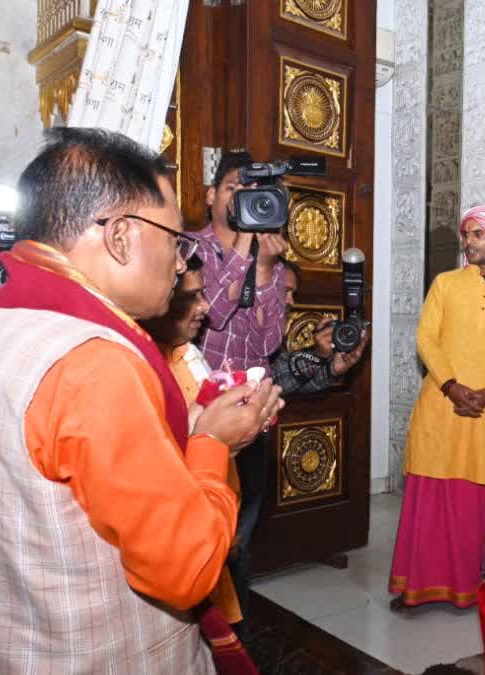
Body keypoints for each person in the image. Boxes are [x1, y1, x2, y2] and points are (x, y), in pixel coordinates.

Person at [0, 128, 283, 673]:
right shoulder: (93, 361)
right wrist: (213, 443)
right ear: (121, 236)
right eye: (175, 241)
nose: (180, 263)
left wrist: (183, 430)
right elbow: (185, 567)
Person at [389, 206, 485, 610]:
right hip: (441, 406)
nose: (468, 242)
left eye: (477, 235)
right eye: (466, 235)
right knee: (428, 496)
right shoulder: (445, 284)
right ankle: (415, 586)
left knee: (470, 502)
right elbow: (425, 339)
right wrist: (451, 386)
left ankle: (462, 588)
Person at [193, 151, 289, 619]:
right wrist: (241, 255)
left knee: (236, 541)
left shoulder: (270, 256)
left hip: (249, 419)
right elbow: (207, 313)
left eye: (253, 191)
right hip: (195, 418)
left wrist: (267, 270)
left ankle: (237, 646)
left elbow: (269, 341)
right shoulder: (189, 248)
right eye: (235, 187)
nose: (244, 199)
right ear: (212, 195)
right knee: (192, 533)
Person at [138, 256, 246, 628]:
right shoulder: (136, 367)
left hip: (212, 525)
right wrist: (213, 435)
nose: (205, 307)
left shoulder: (186, 352)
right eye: (191, 297)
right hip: (176, 549)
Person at [269, 259, 369, 396]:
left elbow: (285, 385)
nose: (291, 302)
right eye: (285, 291)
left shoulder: (273, 338)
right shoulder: (237, 332)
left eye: (293, 294)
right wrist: (317, 355)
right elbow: (271, 377)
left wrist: (332, 369)